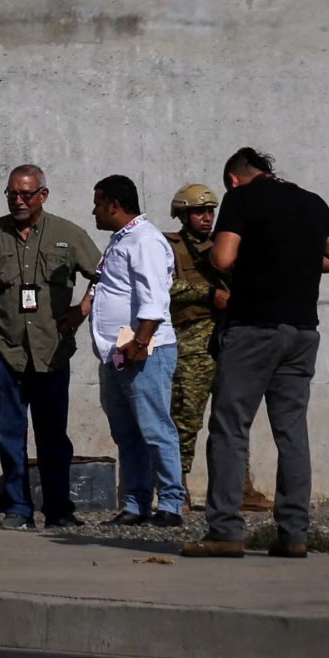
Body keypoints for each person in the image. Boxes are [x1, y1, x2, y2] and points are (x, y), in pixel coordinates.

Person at [184, 149, 329, 560]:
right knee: (292, 431)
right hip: (302, 332)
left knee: (230, 426)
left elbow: (224, 257)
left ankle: (225, 531)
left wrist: (225, 255)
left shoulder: (241, 199)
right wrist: (290, 260)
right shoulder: (312, 201)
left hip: (254, 329)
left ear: (233, 179)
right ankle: (294, 533)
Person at [0, 164, 99, 531]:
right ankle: (18, 508)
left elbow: (102, 274)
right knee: (10, 434)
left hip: (52, 351)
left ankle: (59, 509)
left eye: (26, 194)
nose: (18, 200)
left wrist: (81, 312)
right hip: (6, 350)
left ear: (42, 195)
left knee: (53, 435)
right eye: (12, 193)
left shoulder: (67, 234)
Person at [90, 175, 184, 524]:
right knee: (126, 431)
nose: (94, 211)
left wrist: (141, 341)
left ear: (115, 205)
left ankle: (172, 503)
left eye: (98, 204)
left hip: (145, 350)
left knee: (155, 428)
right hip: (117, 351)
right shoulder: (122, 240)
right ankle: (136, 502)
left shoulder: (145, 240)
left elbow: (154, 297)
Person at [165, 182, 227, 498]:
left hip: (227, 336)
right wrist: (208, 294)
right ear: (183, 214)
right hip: (191, 339)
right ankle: (179, 487)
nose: (206, 217)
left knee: (231, 419)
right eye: (198, 212)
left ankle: (237, 487)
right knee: (186, 417)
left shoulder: (224, 245)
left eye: (209, 211)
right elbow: (163, 285)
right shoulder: (169, 246)